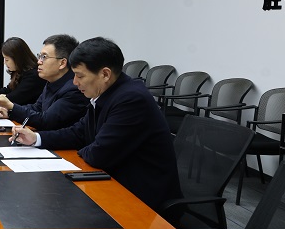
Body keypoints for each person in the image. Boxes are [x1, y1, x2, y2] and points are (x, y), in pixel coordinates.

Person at [11, 37, 182, 212]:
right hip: (116, 184)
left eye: (80, 76)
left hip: (143, 200)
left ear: (105, 74)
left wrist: (84, 149)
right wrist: (36, 138)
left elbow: (99, 154)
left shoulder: (131, 99)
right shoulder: (107, 92)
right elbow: (79, 132)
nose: (75, 82)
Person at [0, 34, 88, 130]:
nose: (39, 61)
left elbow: (46, 120)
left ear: (62, 63)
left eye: (44, 57)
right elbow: (36, 107)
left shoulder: (74, 89)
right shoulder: (51, 82)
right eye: (40, 56)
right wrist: (9, 112)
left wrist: (11, 107)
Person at [0, 37, 45, 106]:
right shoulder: (19, 71)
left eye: (7, 60)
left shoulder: (34, 75)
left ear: (17, 58)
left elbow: (14, 98)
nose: (4, 63)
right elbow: (9, 89)